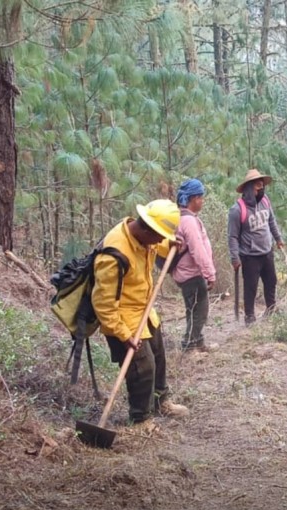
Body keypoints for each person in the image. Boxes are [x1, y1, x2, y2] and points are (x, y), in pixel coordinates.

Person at [91, 199, 189, 434]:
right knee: (142, 367)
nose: (159, 242)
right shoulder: (114, 254)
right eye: (158, 236)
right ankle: (140, 419)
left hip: (144, 310)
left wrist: (170, 242)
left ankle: (160, 401)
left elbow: (160, 243)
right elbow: (103, 305)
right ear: (147, 228)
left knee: (158, 355)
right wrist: (123, 335)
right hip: (121, 318)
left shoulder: (145, 236)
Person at [227, 168, 285, 326]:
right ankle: (250, 317)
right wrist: (235, 257)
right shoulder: (237, 210)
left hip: (267, 252)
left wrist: (278, 238)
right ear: (248, 188)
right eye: (257, 186)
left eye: (262, 185)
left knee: (271, 281)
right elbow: (232, 236)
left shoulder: (265, 201)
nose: (261, 189)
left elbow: (271, 221)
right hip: (249, 256)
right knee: (250, 288)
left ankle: (271, 309)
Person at [173, 178, 216, 352]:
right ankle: (189, 345)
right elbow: (197, 249)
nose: (202, 201)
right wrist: (209, 273)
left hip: (186, 273)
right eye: (201, 197)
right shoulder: (188, 221)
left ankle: (198, 342)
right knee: (199, 310)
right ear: (193, 199)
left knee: (194, 308)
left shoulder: (183, 218)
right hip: (191, 274)